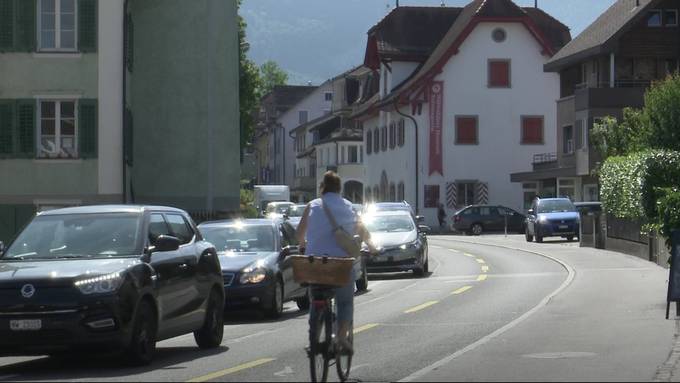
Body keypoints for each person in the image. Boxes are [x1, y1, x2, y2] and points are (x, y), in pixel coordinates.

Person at [296, 171, 377, 353]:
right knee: (345, 302)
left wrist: (304, 245)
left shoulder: (312, 205)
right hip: (340, 265)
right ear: (340, 189)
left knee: (316, 298)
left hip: (315, 263)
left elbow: (299, 234)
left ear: (322, 187)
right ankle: (341, 337)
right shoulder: (348, 206)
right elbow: (362, 230)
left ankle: (314, 339)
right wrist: (372, 247)